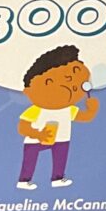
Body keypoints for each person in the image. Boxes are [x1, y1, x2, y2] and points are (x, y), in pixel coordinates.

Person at [15, 45, 99, 189]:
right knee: (30, 160)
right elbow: (23, 127)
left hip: (62, 138)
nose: (69, 88)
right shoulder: (37, 110)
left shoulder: (68, 109)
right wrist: (38, 134)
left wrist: (92, 109)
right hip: (36, 140)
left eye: (75, 86)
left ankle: (58, 178)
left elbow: (85, 117)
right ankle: (24, 180)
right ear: (29, 91)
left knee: (60, 158)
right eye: (50, 83)